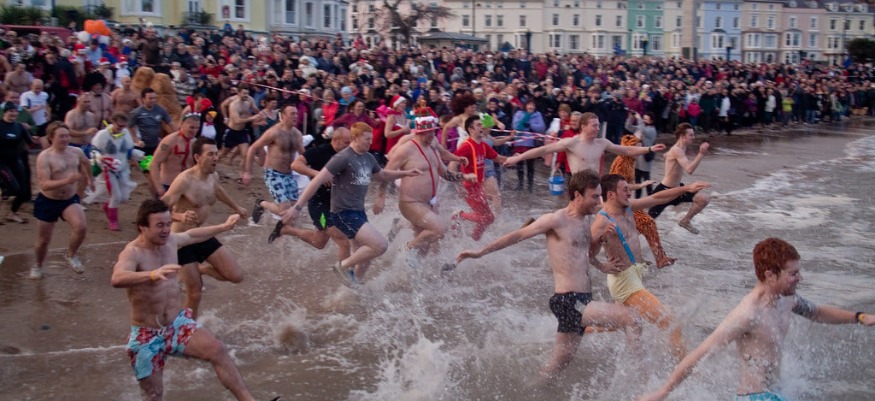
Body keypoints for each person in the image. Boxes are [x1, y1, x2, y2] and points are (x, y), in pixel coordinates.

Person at [456, 170, 642, 385]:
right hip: (570, 301)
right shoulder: (557, 220)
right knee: (632, 318)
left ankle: (531, 390)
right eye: (594, 196)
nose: (598, 202)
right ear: (577, 195)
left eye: (600, 196)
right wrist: (479, 253)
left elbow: (583, 254)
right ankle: (641, 380)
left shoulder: (586, 220)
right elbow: (517, 235)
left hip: (581, 299)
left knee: (557, 366)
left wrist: (601, 265)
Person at [637, 237, 875, 401]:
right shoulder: (747, 315)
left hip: (777, 393)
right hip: (755, 397)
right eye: (793, 274)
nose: (800, 278)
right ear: (770, 275)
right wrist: (662, 392)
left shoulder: (787, 299)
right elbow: (700, 353)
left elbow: (817, 312)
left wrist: (860, 317)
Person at [110, 199, 260, 401]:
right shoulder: (133, 252)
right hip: (147, 334)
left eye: (168, 224)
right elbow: (117, 278)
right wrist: (152, 274)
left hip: (176, 325)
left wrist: (224, 226)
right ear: (142, 227)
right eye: (159, 225)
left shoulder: (171, 241)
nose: (166, 230)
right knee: (153, 395)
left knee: (217, 350)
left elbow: (192, 235)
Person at [281, 122, 420, 286]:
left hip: (358, 212)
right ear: (355, 138)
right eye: (367, 139)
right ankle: (343, 267)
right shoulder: (342, 158)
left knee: (366, 254)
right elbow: (316, 181)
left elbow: (382, 175)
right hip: (342, 213)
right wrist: (297, 207)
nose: (371, 142)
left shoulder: (368, 158)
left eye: (371, 139)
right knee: (379, 245)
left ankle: (354, 286)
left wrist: (406, 173)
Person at [590, 174, 711, 361]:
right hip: (625, 284)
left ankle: (578, 328)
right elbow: (582, 251)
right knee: (671, 323)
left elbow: (657, 197)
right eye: (625, 190)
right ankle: (684, 370)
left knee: (618, 323)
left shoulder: (628, 208)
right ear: (611, 195)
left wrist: (686, 188)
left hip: (634, 276)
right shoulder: (602, 221)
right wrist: (601, 266)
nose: (629, 193)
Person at [162, 137, 248, 318]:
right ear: (197, 157)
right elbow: (159, 210)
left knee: (236, 275)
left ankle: (203, 269)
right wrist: (179, 216)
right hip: (182, 240)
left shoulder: (213, 176)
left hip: (202, 234)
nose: (215, 158)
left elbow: (218, 190)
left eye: (216, 154)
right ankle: (188, 329)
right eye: (210, 154)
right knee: (195, 293)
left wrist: (237, 208)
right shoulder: (184, 180)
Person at [374, 116, 475, 267]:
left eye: (434, 132)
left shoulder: (432, 147)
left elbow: (445, 173)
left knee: (425, 242)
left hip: (429, 202)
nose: (433, 136)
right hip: (411, 202)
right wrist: (380, 198)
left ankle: (411, 272)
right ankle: (405, 248)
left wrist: (464, 175)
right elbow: (385, 174)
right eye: (430, 133)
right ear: (420, 132)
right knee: (439, 229)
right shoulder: (405, 150)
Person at [269, 128, 352, 261]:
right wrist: (318, 174)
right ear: (336, 140)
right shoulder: (320, 151)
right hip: (319, 206)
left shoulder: (347, 156)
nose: (349, 146)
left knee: (319, 242)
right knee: (343, 241)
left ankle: (286, 230)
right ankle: (346, 272)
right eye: (346, 142)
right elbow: (295, 165)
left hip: (336, 205)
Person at [504, 112, 665, 175]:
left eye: (598, 125)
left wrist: (649, 148)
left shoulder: (602, 143)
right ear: (583, 127)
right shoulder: (572, 143)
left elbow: (626, 151)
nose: (597, 129)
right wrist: (517, 158)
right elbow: (542, 150)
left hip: (595, 187)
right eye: (594, 126)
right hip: (579, 188)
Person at [32, 121, 92, 279]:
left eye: (67, 136)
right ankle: (38, 265)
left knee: (81, 227)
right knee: (43, 240)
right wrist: (67, 180)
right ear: (51, 137)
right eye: (61, 136)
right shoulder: (45, 157)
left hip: (69, 199)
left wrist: (90, 180)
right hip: (48, 201)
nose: (65, 139)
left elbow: (86, 163)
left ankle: (71, 255)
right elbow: (44, 185)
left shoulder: (76, 151)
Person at [243, 104, 305, 222]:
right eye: (292, 114)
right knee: (284, 210)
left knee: (294, 210)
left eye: (296, 114)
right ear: (283, 116)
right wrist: (248, 172)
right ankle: (261, 203)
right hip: (273, 173)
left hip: (289, 174)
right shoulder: (274, 132)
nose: (295, 116)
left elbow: (304, 155)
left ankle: (283, 230)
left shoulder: (297, 134)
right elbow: (253, 148)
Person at [452, 114, 508, 241]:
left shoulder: (483, 145)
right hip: (469, 187)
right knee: (488, 217)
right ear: (471, 129)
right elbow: (452, 164)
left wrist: (515, 159)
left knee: (487, 217)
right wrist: (458, 185)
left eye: (482, 125)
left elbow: (498, 158)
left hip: (478, 186)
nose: (482, 127)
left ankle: (475, 239)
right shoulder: (466, 146)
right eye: (478, 125)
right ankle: (460, 215)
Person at [647, 123, 711, 234]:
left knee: (703, 199)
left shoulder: (679, 148)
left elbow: (667, 155)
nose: (693, 137)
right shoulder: (677, 150)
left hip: (678, 190)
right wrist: (701, 153)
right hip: (665, 191)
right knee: (646, 223)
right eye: (691, 135)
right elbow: (689, 170)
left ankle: (685, 221)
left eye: (693, 135)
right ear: (682, 136)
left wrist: (667, 155)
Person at [86, 112, 139, 231]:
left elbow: (129, 151)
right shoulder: (102, 135)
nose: (121, 128)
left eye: (124, 126)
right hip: (107, 169)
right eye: (119, 126)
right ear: (113, 122)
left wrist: (141, 157)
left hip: (123, 169)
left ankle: (108, 206)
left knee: (124, 197)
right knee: (116, 196)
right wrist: (100, 158)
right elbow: (94, 150)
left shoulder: (125, 133)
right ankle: (113, 221)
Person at [129, 88, 174, 199]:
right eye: (150, 98)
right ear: (143, 99)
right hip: (143, 149)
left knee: (159, 175)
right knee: (151, 177)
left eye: (154, 98)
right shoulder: (137, 112)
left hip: (156, 147)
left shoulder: (160, 110)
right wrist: (136, 140)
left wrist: (176, 135)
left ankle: (158, 198)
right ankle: (156, 199)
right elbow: (129, 127)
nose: (153, 100)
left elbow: (170, 123)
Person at [0, 102, 37, 224]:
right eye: (11, 111)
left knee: (23, 191)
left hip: (15, 159)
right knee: (14, 188)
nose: (14, 114)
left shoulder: (19, 126)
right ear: (5, 112)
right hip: (1, 161)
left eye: (16, 111)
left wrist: (35, 139)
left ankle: (12, 213)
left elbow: (30, 142)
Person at [150, 114, 199, 197]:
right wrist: (159, 189)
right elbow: (154, 163)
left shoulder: (196, 143)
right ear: (182, 124)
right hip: (168, 185)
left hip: (187, 186)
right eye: (191, 127)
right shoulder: (168, 141)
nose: (194, 131)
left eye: (197, 128)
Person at [20, 79, 50, 148]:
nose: (38, 90)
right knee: (27, 145)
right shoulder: (25, 95)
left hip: (42, 122)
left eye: (40, 88)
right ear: (31, 86)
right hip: (30, 123)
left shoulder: (45, 95)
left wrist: (48, 114)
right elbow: (24, 111)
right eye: (36, 88)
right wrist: (37, 108)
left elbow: (46, 105)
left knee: (45, 145)